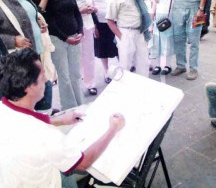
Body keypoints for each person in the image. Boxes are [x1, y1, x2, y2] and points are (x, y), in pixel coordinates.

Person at [0, 47, 125, 187]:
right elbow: (83, 164)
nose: (47, 79)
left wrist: (59, 120)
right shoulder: (44, 135)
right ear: (29, 87)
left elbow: (28, 120)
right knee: (70, 171)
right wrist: (112, 129)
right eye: (42, 77)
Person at [0, 0, 52, 112]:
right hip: (19, 67)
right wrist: (12, 40)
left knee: (43, 103)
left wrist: (38, 21)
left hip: (37, 54)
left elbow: (30, 13)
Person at [41, 0, 85, 110]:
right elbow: (50, 21)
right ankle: (70, 108)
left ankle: (81, 105)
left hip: (75, 37)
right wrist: (65, 38)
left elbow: (76, 13)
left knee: (76, 74)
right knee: (64, 76)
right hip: (58, 40)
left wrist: (80, 31)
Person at [106, 0, 151, 77]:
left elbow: (139, 8)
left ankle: (143, 86)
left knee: (143, 61)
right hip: (126, 32)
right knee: (125, 64)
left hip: (139, 31)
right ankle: (124, 89)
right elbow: (110, 21)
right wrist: (121, 37)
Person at [65, 0, 98, 96]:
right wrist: (80, 11)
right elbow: (64, 11)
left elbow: (95, 6)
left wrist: (92, 9)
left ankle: (90, 83)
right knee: (74, 59)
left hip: (88, 26)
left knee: (89, 57)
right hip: (73, 28)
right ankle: (76, 86)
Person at [88, 0, 118, 84]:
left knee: (119, 47)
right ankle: (107, 72)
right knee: (103, 49)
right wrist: (94, 25)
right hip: (99, 21)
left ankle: (124, 68)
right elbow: (89, 4)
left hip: (115, 19)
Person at [150, 0, 176, 75]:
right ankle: (157, 65)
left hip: (169, 24)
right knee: (156, 44)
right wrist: (151, 25)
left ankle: (167, 65)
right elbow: (153, 11)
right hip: (157, 23)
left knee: (167, 45)